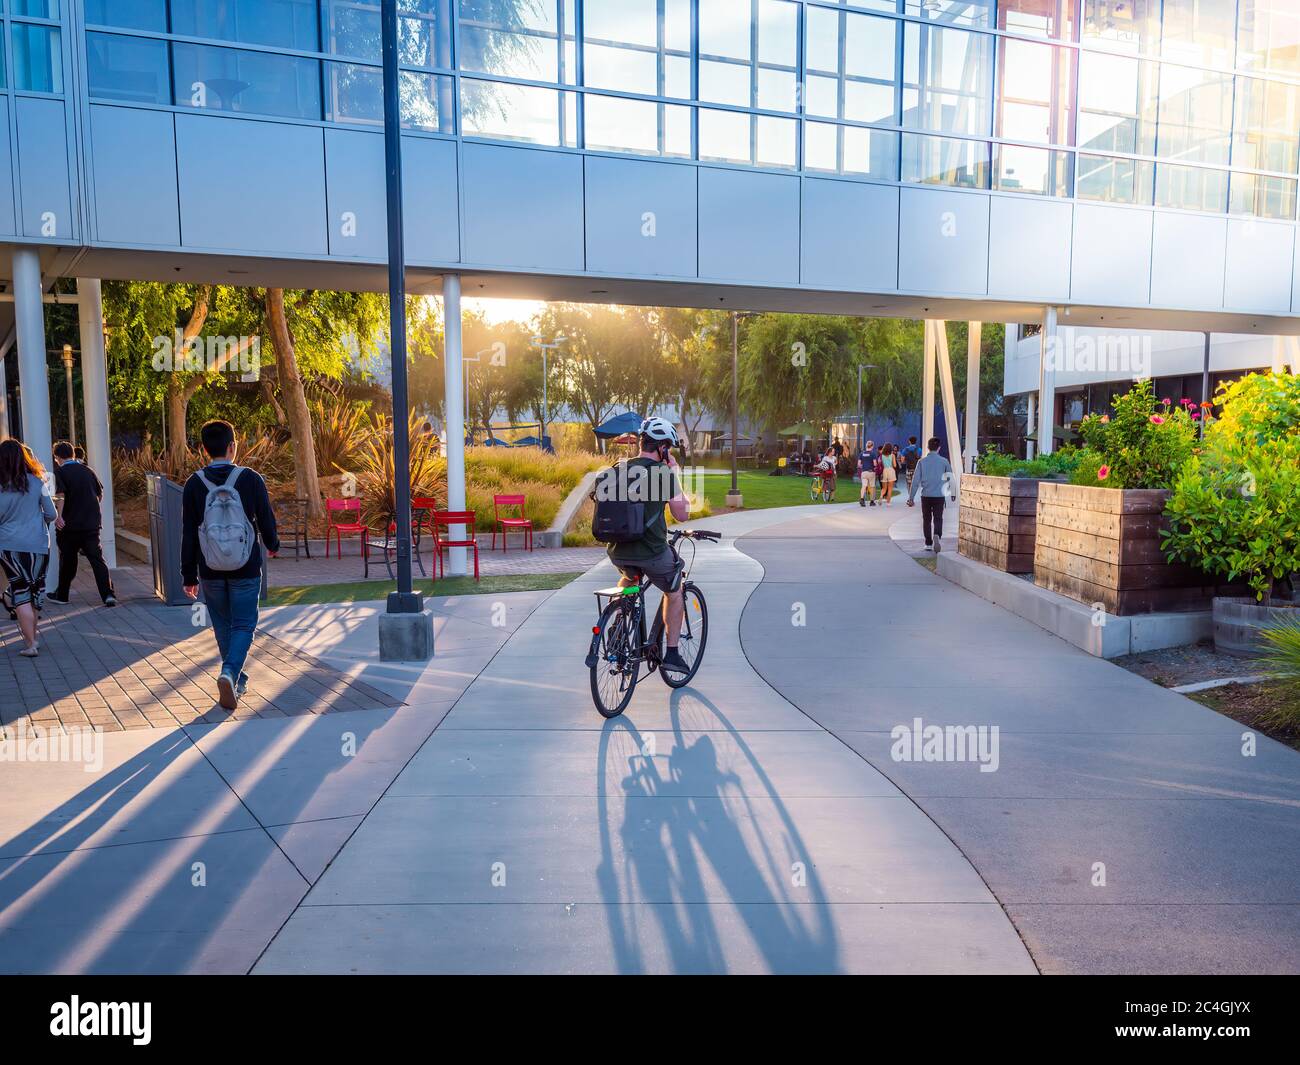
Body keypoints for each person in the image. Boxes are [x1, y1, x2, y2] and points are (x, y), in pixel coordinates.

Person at [181, 420, 280, 710]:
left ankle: (235, 676)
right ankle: (229, 672)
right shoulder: (250, 478)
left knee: (223, 625)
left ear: (203, 449)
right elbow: (265, 517)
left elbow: (189, 531)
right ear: (232, 446)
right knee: (245, 624)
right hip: (246, 565)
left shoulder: (194, 483)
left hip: (209, 568)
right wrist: (272, 546)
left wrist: (189, 575)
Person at [606, 417, 692, 675]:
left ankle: (619, 623)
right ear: (662, 448)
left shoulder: (618, 469)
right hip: (652, 553)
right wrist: (674, 473)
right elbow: (682, 514)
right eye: (669, 448)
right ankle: (673, 654)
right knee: (674, 590)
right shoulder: (662, 473)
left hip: (618, 551)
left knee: (630, 576)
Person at [0, 439, 56, 657]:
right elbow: (51, 514)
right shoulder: (38, 482)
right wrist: (36, 521)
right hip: (39, 545)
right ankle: (33, 638)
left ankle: (31, 643)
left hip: (9, 546)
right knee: (34, 590)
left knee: (20, 591)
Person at [46, 440, 116, 608]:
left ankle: (62, 595)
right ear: (72, 454)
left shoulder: (59, 473)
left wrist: (59, 517)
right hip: (91, 524)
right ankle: (108, 594)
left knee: (68, 561)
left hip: (69, 526)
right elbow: (99, 495)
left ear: (57, 457)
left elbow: (60, 496)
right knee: (97, 560)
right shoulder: (87, 470)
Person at [907, 437, 954, 553]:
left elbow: (915, 481)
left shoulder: (922, 462)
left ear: (928, 448)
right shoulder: (944, 461)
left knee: (927, 519)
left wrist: (911, 498)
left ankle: (928, 543)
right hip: (939, 495)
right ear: (939, 448)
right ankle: (937, 534)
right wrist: (953, 492)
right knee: (938, 518)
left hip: (926, 496)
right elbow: (950, 478)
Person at [857, 439, 878, 507]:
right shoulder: (873, 454)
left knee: (864, 486)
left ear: (866, 446)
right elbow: (875, 464)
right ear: (872, 446)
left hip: (864, 472)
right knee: (872, 487)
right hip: (871, 472)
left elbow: (859, 464)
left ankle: (862, 499)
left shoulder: (861, 453)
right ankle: (872, 501)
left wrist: (864, 465)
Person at [879, 442, 898, 506]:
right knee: (890, 489)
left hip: (885, 471)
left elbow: (881, 464)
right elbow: (895, 465)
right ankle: (888, 503)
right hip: (891, 471)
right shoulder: (892, 455)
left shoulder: (882, 455)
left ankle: (881, 496)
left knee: (884, 488)